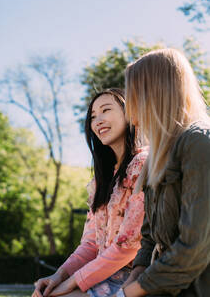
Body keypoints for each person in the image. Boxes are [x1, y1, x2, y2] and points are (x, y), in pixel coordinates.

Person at [32, 88, 148, 297]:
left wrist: (72, 283)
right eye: (93, 116)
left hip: (135, 278)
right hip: (103, 274)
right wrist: (59, 276)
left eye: (106, 110)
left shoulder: (142, 165)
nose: (98, 121)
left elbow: (128, 245)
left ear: (129, 113)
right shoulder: (101, 181)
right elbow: (91, 243)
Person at [119, 48, 210, 297]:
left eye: (135, 99)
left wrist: (129, 293)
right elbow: (149, 238)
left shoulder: (199, 144)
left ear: (155, 96)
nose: (131, 118)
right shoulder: (156, 158)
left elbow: (194, 249)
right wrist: (134, 279)